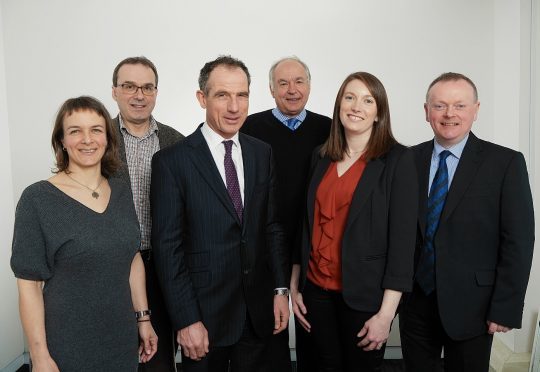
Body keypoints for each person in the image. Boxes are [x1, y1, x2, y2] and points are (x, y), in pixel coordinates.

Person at [150, 55, 290, 372]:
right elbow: (167, 249)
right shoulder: (172, 162)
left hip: (256, 314)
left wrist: (280, 290)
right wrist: (186, 320)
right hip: (203, 317)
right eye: (222, 95)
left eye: (242, 95)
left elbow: (271, 227)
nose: (234, 107)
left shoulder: (261, 152)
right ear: (202, 98)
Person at [399, 72, 535, 372]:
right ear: (426, 111)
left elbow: (519, 240)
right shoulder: (407, 160)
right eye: (440, 106)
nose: (450, 114)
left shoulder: (505, 163)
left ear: (475, 110)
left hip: (475, 305)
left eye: (460, 105)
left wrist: (505, 308)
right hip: (415, 302)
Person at [11, 96, 158, 372]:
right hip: (66, 345)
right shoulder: (37, 199)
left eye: (96, 130)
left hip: (121, 340)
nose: (87, 139)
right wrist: (40, 356)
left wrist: (143, 319)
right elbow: (28, 285)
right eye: (75, 131)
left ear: (107, 138)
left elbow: (132, 258)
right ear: (62, 141)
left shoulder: (121, 191)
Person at [290, 72, 418, 372]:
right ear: (339, 106)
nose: (356, 106)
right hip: (315, 293)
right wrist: (295, 286)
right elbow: (304, 225)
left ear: (378, 113)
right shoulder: (320, 157)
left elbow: (403, 245)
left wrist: (386, 316)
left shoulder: (399, 161)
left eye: (367, 100)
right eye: (349, 97)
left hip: (364, 298)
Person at [241, 56, 330, 372]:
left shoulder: (330, 129)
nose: (292, 90)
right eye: (283, 83)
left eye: (299, 81)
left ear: (309, 85)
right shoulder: (250, 128)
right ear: (270, 89)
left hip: (315, 250)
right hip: (265, 251)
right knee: (269, 337)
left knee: (316, 338)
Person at [111, 56, 184, 371]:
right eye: (129, 86)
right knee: (114, 355)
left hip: (162, 267)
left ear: (156, 92)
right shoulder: (97, 141)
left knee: (158, 360)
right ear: (115, 91)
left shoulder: (176, 143)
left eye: (147, 87)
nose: (138, 95)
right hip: (112, 268)